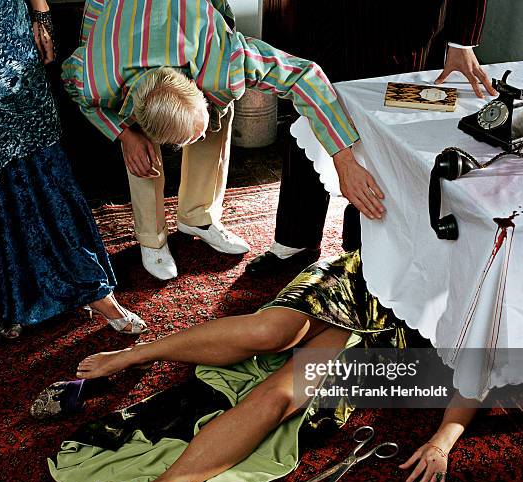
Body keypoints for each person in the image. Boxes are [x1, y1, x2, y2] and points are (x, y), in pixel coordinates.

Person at [32, 250, 477, 482]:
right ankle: (131, 354)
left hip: (393, 340)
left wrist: (442, 441)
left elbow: (482, 375)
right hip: (370, 275)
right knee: (268, 333)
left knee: (281, 398)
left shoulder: (513, 294)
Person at [63, 0, 383, 280]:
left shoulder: (226, 60)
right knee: (140, 151)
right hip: (118, 15)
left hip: (191, 20)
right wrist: (124, 133)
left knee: (217, 113)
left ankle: (198, 217)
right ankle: (152, 238)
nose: (199, 138)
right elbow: (71, 83)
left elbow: (306, 76)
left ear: (195, 85)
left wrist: (344, 161)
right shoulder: (96, 77)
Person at [0, 0, 145, 338]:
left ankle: (90, 287)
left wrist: (40, 12)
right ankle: (7, 297)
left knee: (38, 155)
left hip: (2, 25)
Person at [247, 0, 494, 275]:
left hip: (403, 24)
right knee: (310, 101)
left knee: (381, 130)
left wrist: (462, 42)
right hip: (323, 14)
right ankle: (296, 239)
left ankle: (362, 246)